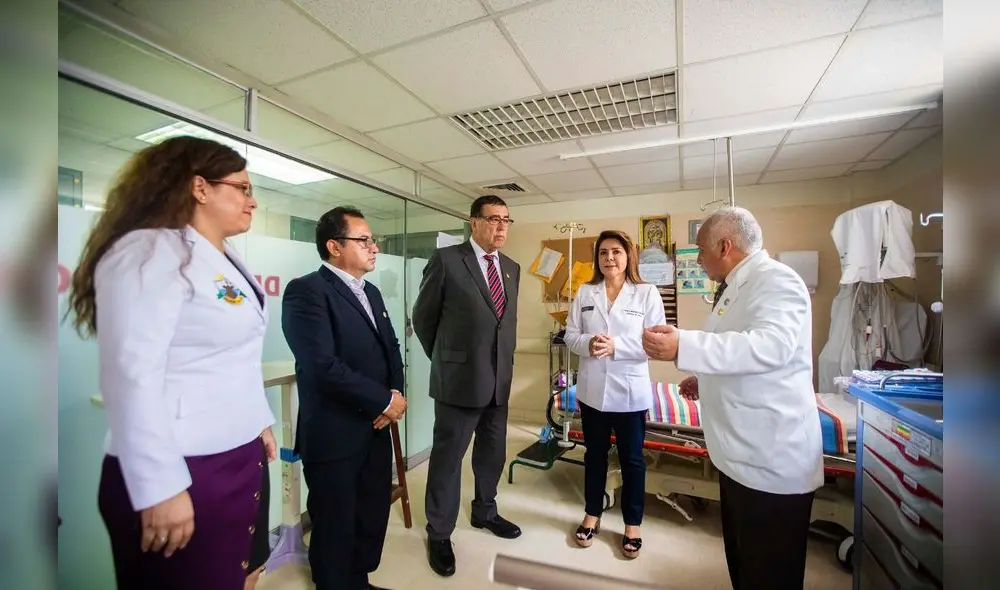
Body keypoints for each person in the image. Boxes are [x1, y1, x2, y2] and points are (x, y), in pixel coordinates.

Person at [67, 136, 278, 589]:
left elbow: (230, 357)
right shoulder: (148, 251)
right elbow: (131, 373)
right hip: (181, 464)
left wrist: (257, 420)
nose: (252, 200)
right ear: (199, 188)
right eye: (242, 188)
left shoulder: (223, 256)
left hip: (233, 453)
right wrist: (159, 486)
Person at [641, 206, 823, 590]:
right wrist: (702, 379)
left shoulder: (777, 281)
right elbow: (737, 349)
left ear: (725, 246)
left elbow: (771, 347)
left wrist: (683, 345)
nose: (698, 258)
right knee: (745, 567)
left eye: (700, 250)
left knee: (769, 573)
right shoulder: (735, 287)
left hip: (769, 461)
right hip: (739, 457)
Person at [281, 206, 406, 590]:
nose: (374, 247)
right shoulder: (307, 291)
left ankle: (358, 580)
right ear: (334, 246)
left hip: (375, 428)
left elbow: (391, 349)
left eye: (373, 240)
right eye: (364, 240)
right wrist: (382, 401)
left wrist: (396, 395)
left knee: (370, 514)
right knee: (336, 522)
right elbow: (321, 364)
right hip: (335, 432)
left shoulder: (371, 291)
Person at [412, 194, 521, 577]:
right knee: (448, 460)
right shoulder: (446, 261)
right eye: (493, 219)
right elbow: (423, 319)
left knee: (492, 454)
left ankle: (484, 512)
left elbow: (503, 324)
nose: (501, 226)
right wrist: (447, 361)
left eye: (507, 220)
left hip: (498, 383)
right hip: (458, 382)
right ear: (473, 222)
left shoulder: (511, 268)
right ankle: (439, 532)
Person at [562, 230, 665, 559]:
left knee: (632, 460)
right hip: (592, 391)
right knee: (594, 455)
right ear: (598, 258)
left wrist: (617, 346)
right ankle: (592, 513)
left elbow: (656, 343)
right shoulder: (585, 291)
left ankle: (632, 523)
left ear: (628, 256)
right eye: (604, 252)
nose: (609, 258)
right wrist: (588, 344)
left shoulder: (646, 293)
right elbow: (570, 335)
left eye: (616, 252)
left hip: (631, 392)